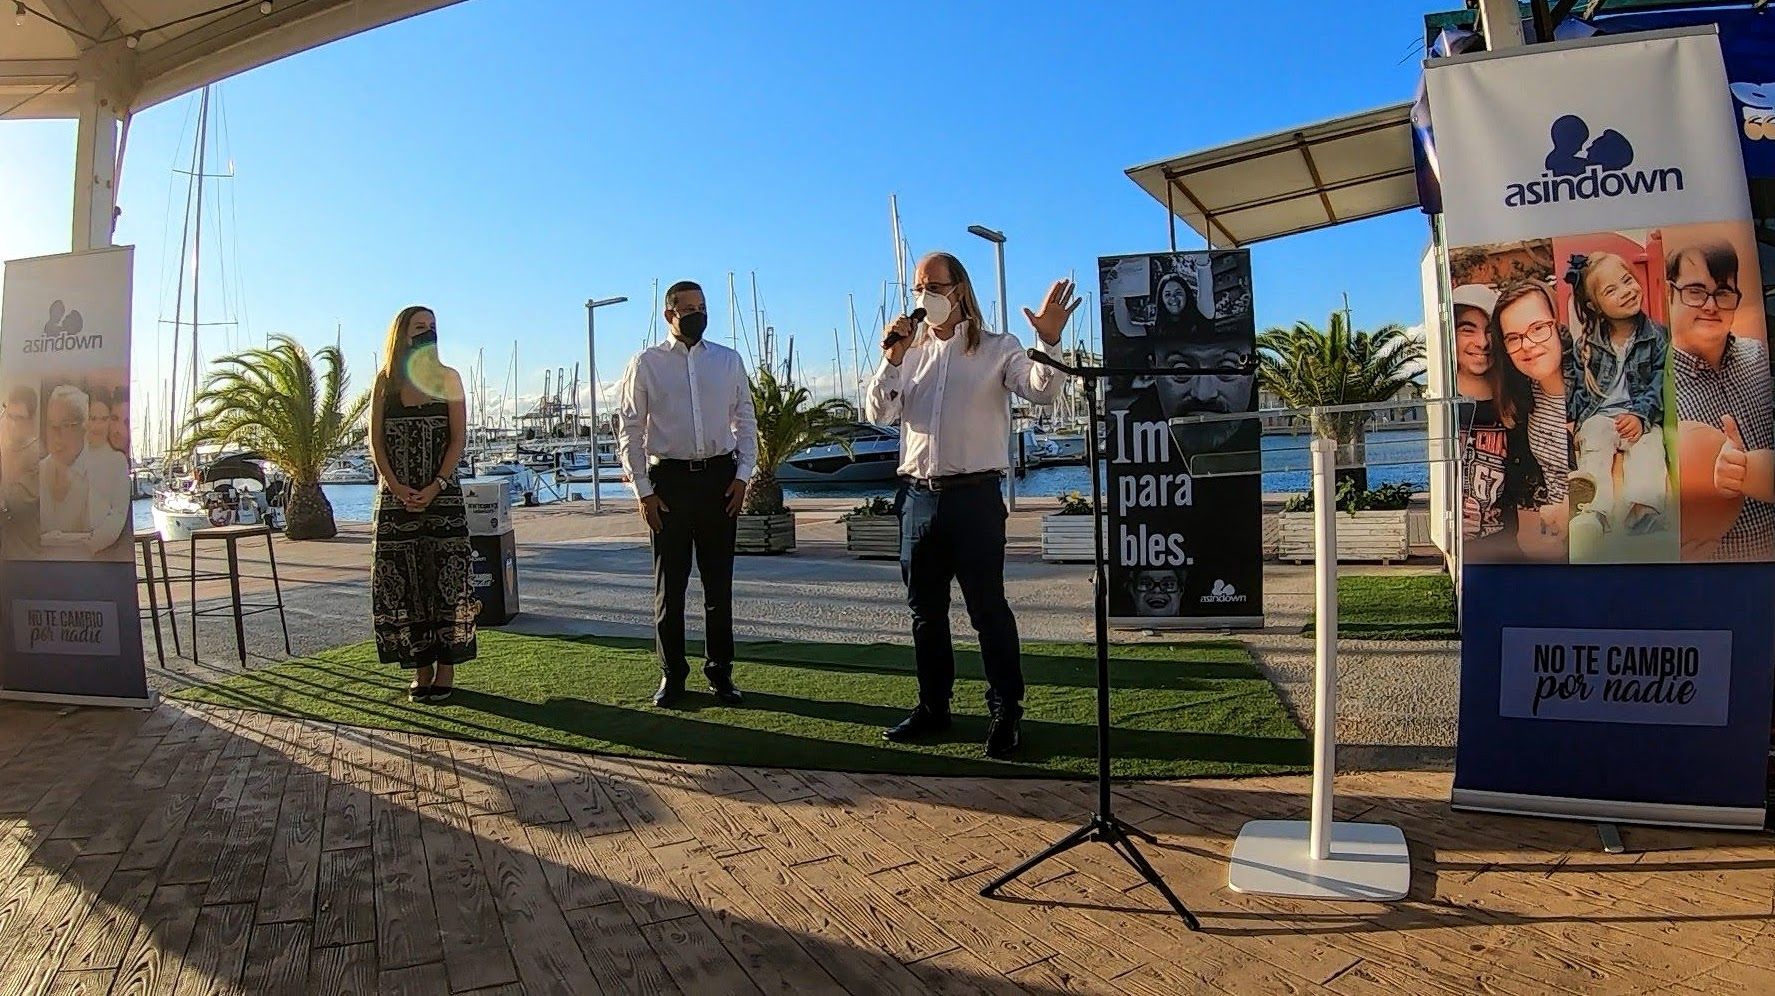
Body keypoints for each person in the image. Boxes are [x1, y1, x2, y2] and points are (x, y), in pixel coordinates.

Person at [866, 251, 1077, 759]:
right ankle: (934, 707)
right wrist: (891, 357)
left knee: (988, 612)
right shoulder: (909, 354)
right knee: (925, 614)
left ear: (958, 290)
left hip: (974, 498)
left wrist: (1048, 339)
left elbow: (1042, 391)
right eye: (917, 289)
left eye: (932, 287)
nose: (923, 298)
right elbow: (877, 411)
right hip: (917, 497)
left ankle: (1006, 712)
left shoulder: (998, 349)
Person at [615, 279, 758, 708]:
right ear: (669, 314)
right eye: (687, 307)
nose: (696, 313)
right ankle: (672, 676)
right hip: (669, 484)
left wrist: (743, 476)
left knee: (719, 586)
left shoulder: (728, 361)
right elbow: (630, 428)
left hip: (720, 481)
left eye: (702, 306)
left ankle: (721, 674)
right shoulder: (646, 363)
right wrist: (642, 490)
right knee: (670, 587)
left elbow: (745, 419)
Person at [369, 306, 477, 702]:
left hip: (442, 496)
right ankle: (421, 668)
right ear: (402, 334)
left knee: (447, 579)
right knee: (404, 583)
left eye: (433, 327)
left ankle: (446, 667)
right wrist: (396, 487)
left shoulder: (449, 379)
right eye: (420, 327)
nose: (429, 333)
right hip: (395, 499)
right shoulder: (384, 383)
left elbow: (457, 440)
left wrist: (436, 485)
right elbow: (376, 443)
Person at [1668, 241, 1774, 561]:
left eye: (1724, 292)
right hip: (1713, 570)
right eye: (1696, 291)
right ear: (1669, 293)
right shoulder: (1648, 389)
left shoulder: (1758, 357)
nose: (1711, 306)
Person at [1564, 253, 1670, 536]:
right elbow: (1575, 392)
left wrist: (1640, 416)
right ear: (1595, 306)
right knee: (1595, 440)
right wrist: (1570, 421)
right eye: (1611, 290)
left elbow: (1659, 382)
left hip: (1639, 416)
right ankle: (1594, 512)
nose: (1626, 292)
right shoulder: (1586, 344)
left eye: (1627, 281)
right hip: (1602, 417)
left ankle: (1644, 510)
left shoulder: (1657, 336)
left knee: (1650, 446)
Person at [1489, 280, 1570, 561]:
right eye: (1513, 337)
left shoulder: (1595, 388)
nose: (1528, 345)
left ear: (1557, 325)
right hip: (1560, 551)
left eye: (1538, 329)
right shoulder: (1527, 393)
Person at [37, 385, 94, 551]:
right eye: (51, 425)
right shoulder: (37, 472)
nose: (55, 435)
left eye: (66, 425)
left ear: (84, 427)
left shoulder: (99, 474)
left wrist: (49, 539)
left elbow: (98, 538)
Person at [74, 390, 129, 554]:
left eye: (104, 419)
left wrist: (92, 545)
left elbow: (118, 513)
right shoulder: (73, 454)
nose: (97, 425)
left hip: (98, 551)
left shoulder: (117, 460)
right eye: (92, 418)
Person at [0, 385, 41, 555]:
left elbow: (13, 505)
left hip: (27, 556)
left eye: (19, 418)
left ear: (31, 420)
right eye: (10, 417)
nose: (12, 424)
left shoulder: (38, 456)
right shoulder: (4, 450)